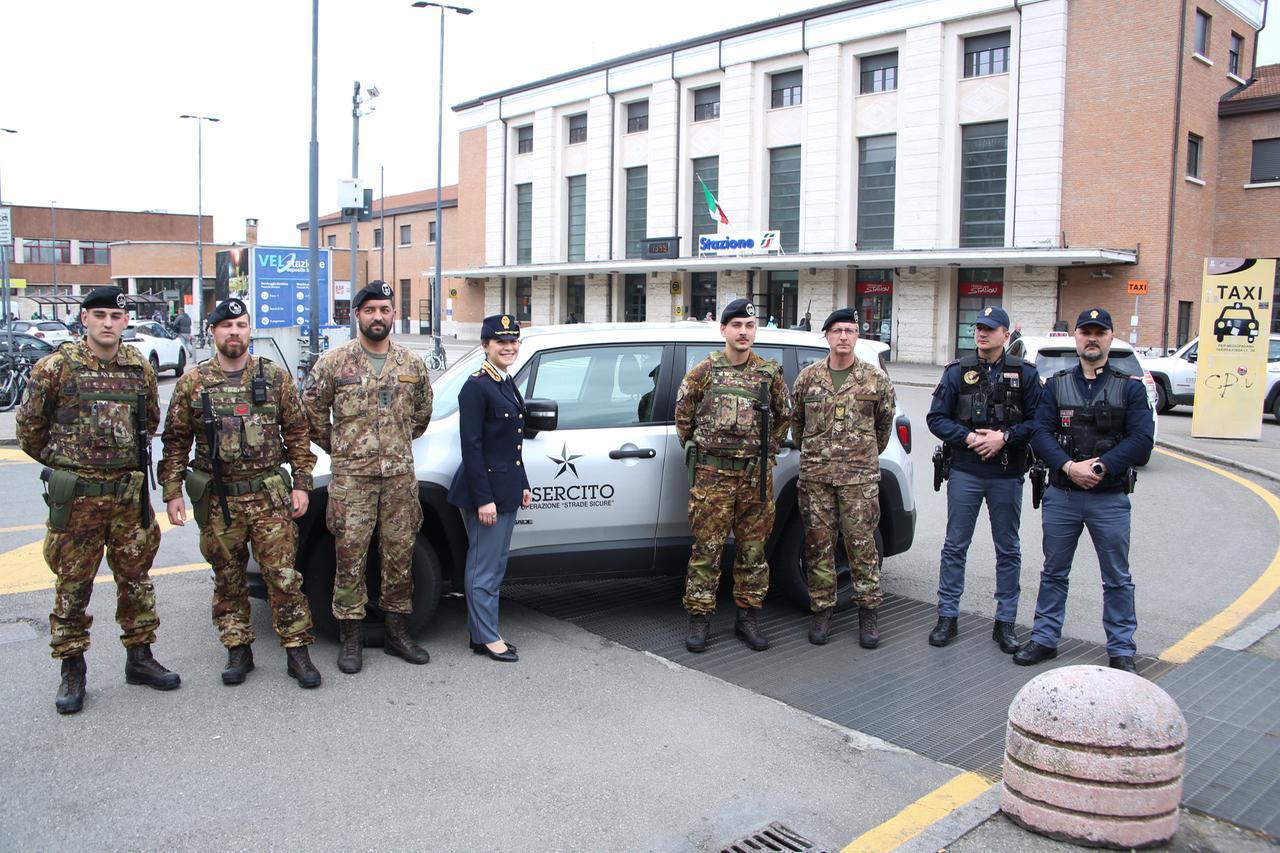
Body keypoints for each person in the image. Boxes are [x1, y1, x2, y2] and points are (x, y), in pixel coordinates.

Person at [16, 285, 180, 714]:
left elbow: (150, 422)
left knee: (137, 581)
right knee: (72, 586)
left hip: (128, 498)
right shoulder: (56, 368)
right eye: (100, 315)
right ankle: (73, 670)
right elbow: (29, 430)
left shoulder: (138, 368)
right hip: (80, 503)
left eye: (116, 316)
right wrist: (69, 465)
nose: (109, 323)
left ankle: (140, 658)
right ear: (85, 319)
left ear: (126, 321)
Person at [158, 298, 322, 688]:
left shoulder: (274, 377)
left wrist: (301, 484)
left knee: (283, 577)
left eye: (242, 325)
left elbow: (298, 433)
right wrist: (172, 492)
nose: (235, 332)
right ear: (212, 332)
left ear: (250, 331)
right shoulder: (193, 383)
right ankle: (238, 649)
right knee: (227, 577)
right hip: (219, 500)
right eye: (226, 325)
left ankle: (297, 651)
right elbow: (176, 441)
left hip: (268, 496)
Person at [302, 280, 433, 673]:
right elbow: (309, 413)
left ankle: (397, 632)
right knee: (349, 557)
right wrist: (343, 447)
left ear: (393, 314)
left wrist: (391, 445)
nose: (379, 316)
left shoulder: (411, 363)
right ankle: (351, 638)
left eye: (385, 309)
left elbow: (422, 415)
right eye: (371, 310)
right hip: (351, 481)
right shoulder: (333, 363)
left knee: (399, 556)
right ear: (357, 315)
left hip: (398, 479)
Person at [1014, 308, 1154, 674]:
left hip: (1108, 497)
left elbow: (1142, 441)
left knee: (1117, 577)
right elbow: (1040, 433)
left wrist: (1101, 466)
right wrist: (1068, 466)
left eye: (1099, 333)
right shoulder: (1056, 386)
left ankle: (1122, 649)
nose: (1092, 339)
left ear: (1110, 338)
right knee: (1054, 572)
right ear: (1075, 337)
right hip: (1063, 494)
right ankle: (1044, 639)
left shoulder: (1130, 388)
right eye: (1086, 332)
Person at [676, 298, 792, 653]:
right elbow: (684, 414)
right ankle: (699, 619)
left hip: (755, 478)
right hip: (712, 478)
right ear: (723, 329)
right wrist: (703, 451)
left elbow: (783, 417)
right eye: (737, 325)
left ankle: (748, 618)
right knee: (706, 551)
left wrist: (765, 452)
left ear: (755, 331)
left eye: (749, 326)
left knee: (753, 552)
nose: (743, 332)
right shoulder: (704, 371)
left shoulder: (769, 374)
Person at [925, 306, 1042, 652]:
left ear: (1006, 334)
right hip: (965, 471)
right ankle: (947, 616)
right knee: (955, 547)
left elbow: (1039, 421)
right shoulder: (957, 371)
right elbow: (936, 419)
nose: (982, 333)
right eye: (978, 328)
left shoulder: (1025, 374)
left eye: (990, 329)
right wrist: (971, 438)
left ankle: (1005, 623)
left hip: (1007, 473)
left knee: (1008, 549)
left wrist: (1004, 438)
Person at [792, 308, 896, 647]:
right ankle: (822, 611)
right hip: (816, 478)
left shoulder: (874, 379)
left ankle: (868, 614)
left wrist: (859, 456)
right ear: (826, 335)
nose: (843, 337)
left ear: (857, 336)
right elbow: (797, 427)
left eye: (850, 331)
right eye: (837, 330)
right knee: (818, 546)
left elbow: (883, 426)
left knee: (862, 547)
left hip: (858, 480)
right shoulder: (808, 378)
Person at [447, 314, 531, 663]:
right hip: (486, 494)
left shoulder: (504, 381)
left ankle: (482, 630)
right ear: (486, 345)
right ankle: (485, 637)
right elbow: (472, 447)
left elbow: (511, 444)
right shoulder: (477, 386)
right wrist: (484, 500)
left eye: (513, 341)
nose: (509, 347)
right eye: (501, 342)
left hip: (505, 487)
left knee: (494, 564)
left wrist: (523, 483)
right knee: (484, 566)